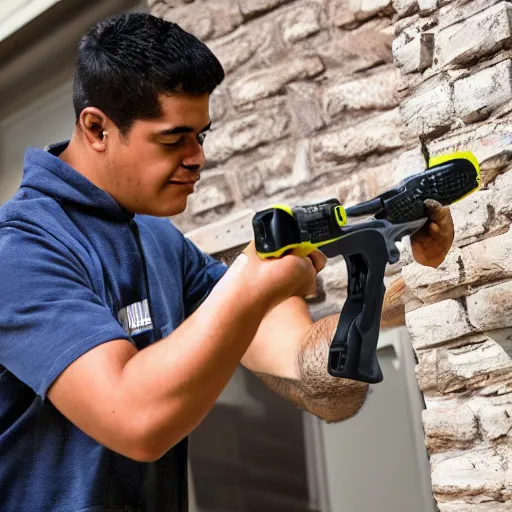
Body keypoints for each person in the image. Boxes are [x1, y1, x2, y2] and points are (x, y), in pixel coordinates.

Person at [0, 12, 454, 512]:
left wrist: (410, 290)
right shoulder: (20, 250)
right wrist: (250, 280)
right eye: (174, 139)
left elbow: (316, 381)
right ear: (97, 128)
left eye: (202, 135)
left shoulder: (157, 239)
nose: (197, 158)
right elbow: (135, 419)